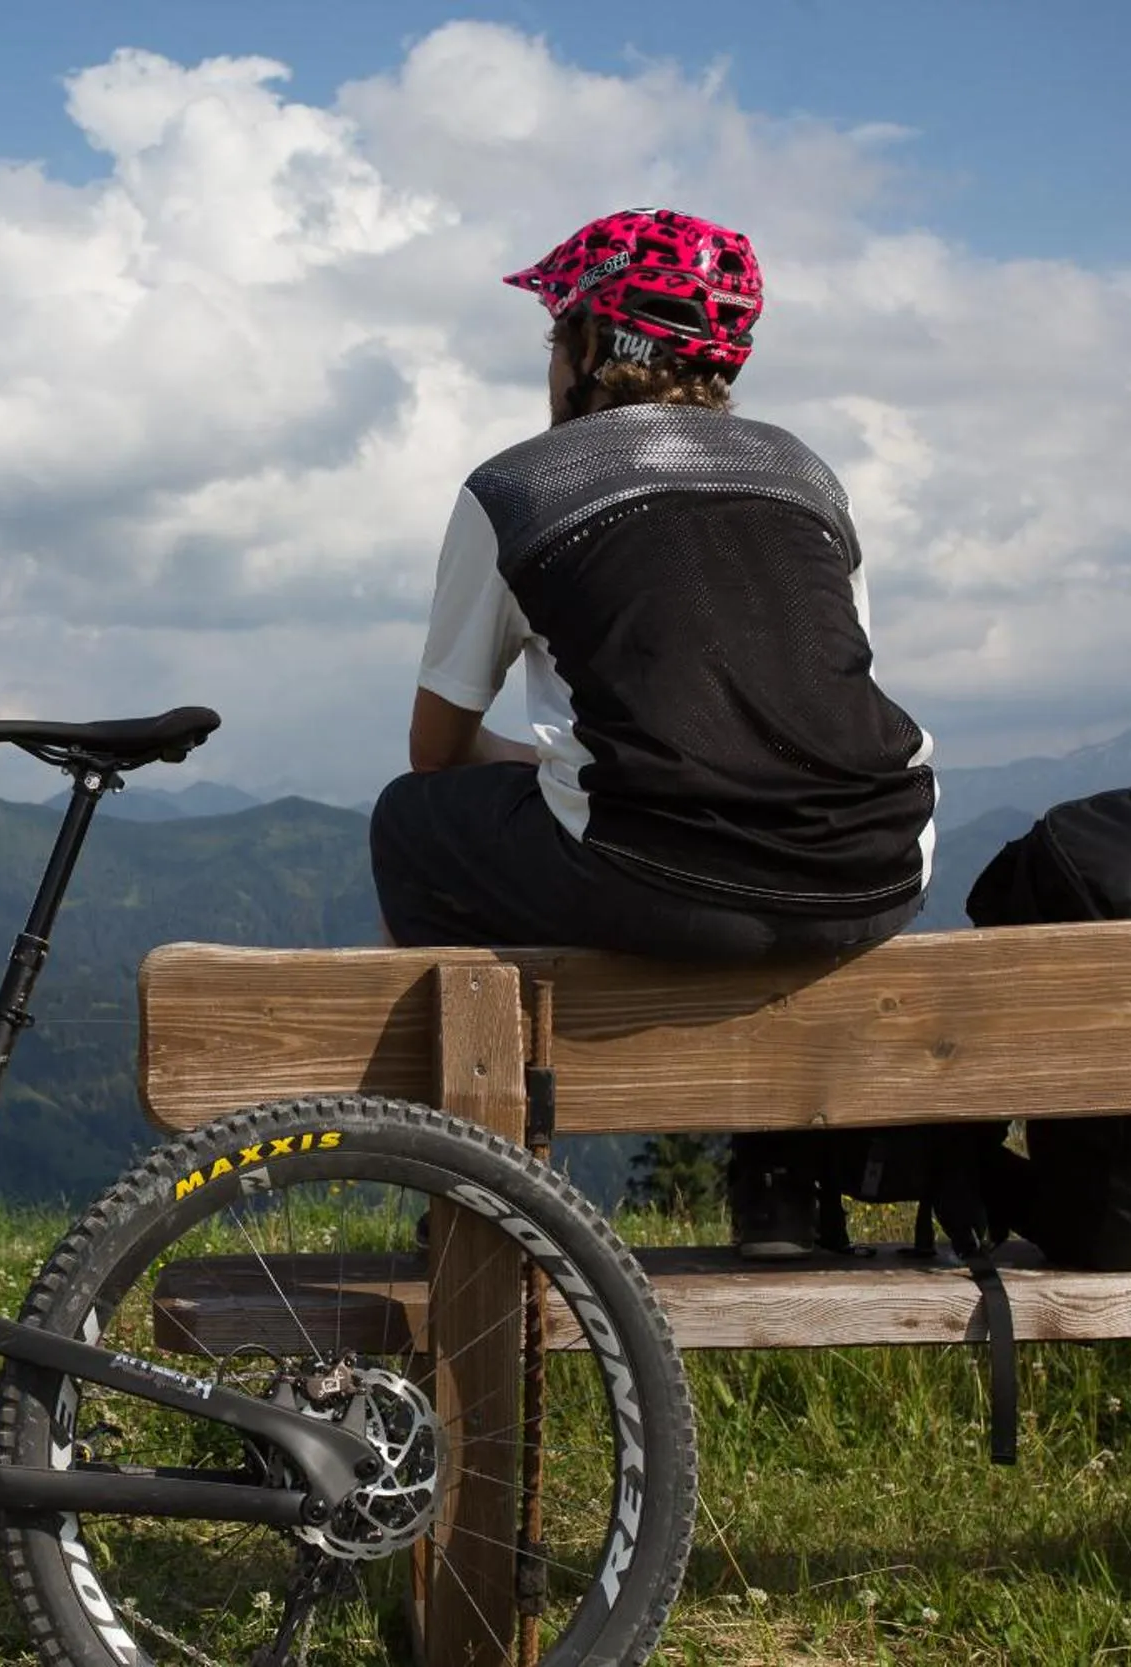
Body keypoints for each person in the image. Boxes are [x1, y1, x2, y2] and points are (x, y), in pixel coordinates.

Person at [369, 207, 937, 1258]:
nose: (548, 360)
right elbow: (816, 703)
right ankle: (777, 1189)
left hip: (664, 878)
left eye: (553, 335)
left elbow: (437, 751)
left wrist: (558, 762)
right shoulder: (805, 475)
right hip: (879, 865)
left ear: (592, 345)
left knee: (412, 823)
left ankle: (477, 1178)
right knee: (717, 854)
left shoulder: (518, 488)